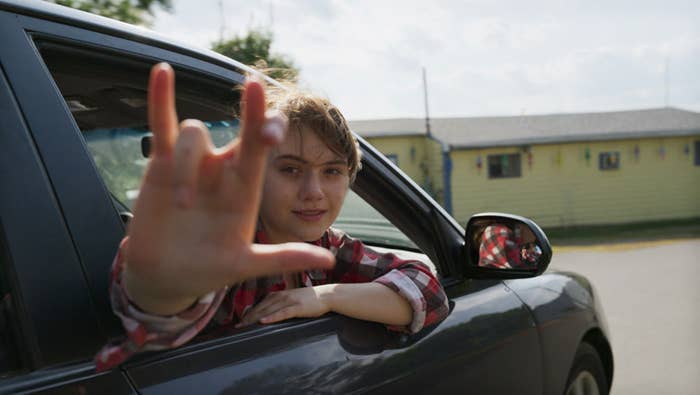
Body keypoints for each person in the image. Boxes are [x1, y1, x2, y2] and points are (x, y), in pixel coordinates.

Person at [95, 63, 449, 370]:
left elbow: (429, 292)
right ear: (254, 178)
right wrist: (160, 291)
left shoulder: (328, 248)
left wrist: (326, 296)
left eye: (332, 171)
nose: (314, 191)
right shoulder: (223, 250)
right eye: (291, 170)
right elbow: (159, 316)